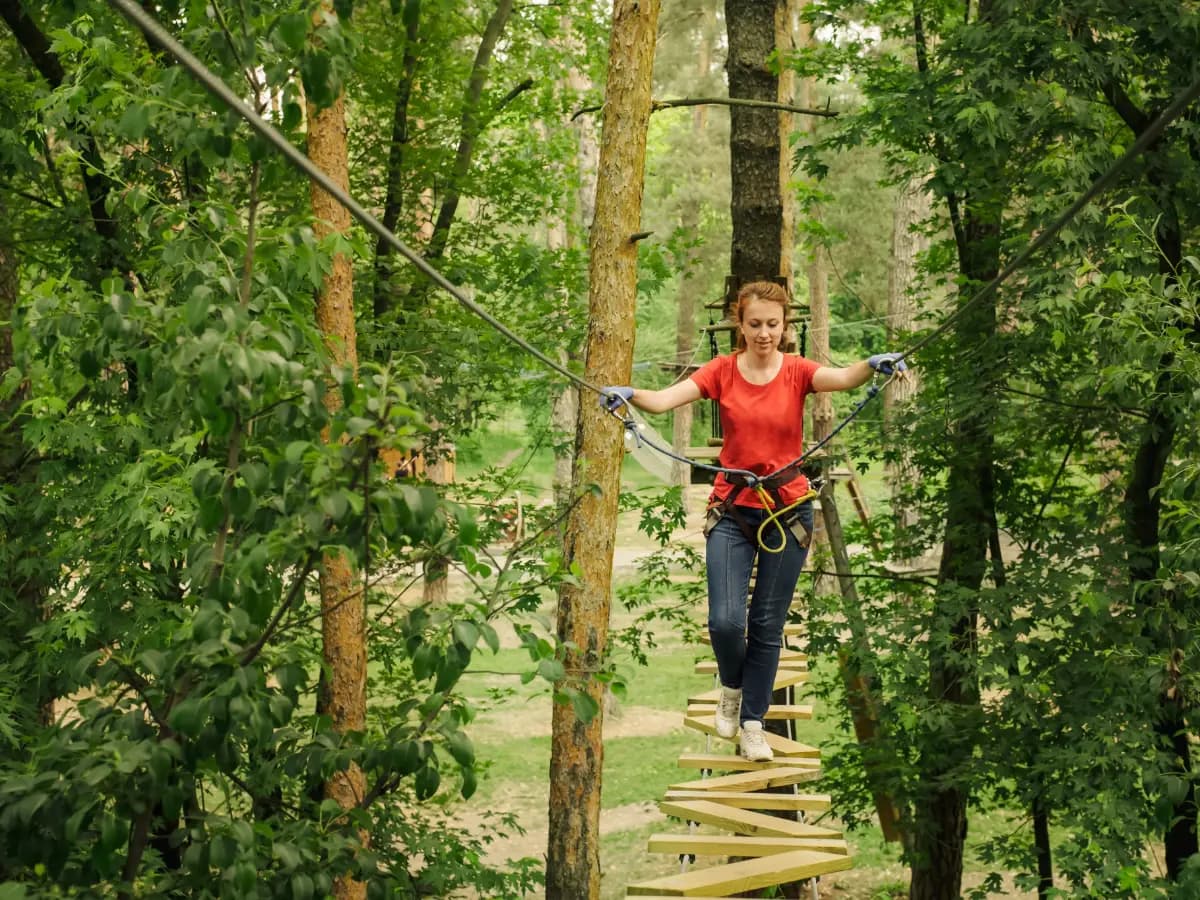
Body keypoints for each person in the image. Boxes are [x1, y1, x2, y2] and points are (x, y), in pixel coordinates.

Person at [602, 280, 906, 762]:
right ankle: (732, 686)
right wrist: (629, 394)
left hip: (787, 512)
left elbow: (844, 378)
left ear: (785, 326)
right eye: (754, 324)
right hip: (733, 510)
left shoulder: (797, 371)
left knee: (766, 624)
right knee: (725, 621)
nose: (764, 333)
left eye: (772, 324)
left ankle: (752, 722)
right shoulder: (721, 370)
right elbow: (664, 399)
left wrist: (872, 365)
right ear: (739, 324)